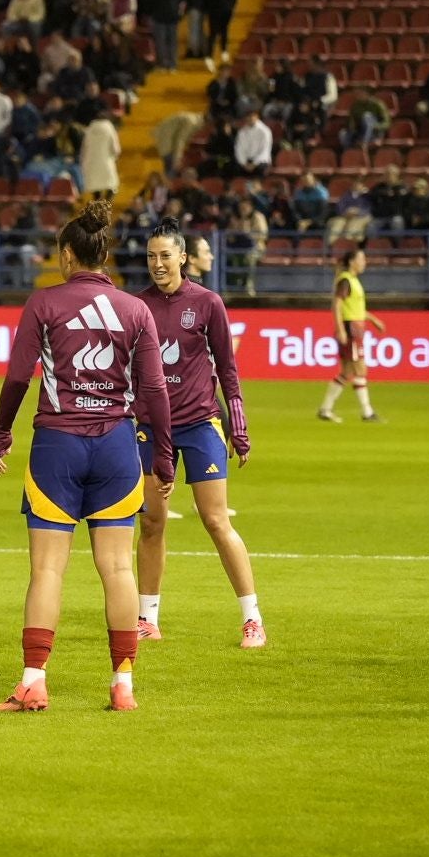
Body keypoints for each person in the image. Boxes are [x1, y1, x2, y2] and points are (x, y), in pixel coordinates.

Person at [0, 200, 175, 712]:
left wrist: (1, 432)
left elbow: (18, 377)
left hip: (58, 447)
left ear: (68, 254)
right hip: (118, 445)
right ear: (106, 254)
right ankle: (123, 687)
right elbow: (156, 390)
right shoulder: (136, 310)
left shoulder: (43, 304)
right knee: (117, 568)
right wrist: (163, 454)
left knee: (48, 571)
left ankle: (33, 681)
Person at [134, 221, 263, 648]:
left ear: (182, 257)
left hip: (200, 423)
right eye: (151, 256)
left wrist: (237, 427)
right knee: (152, 523)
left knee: (215, 520)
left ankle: (252, 619)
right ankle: (147, 618)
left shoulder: (207, 303)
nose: (157, 263)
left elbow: (227, 368)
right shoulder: (136, 307)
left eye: (165, 255)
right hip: (152, 430)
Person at [316, 247, 387, 423]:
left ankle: (325, 409)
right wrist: (339, 328)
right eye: (361, 259)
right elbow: (337, 305)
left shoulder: (353, 281)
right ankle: (367, 412)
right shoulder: (346, 280)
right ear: (352, 262)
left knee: (347, 372)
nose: (364, 263)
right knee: (360, 369)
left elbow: (356, 309)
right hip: (351, 328)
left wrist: (373, 319)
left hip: (356, 327)